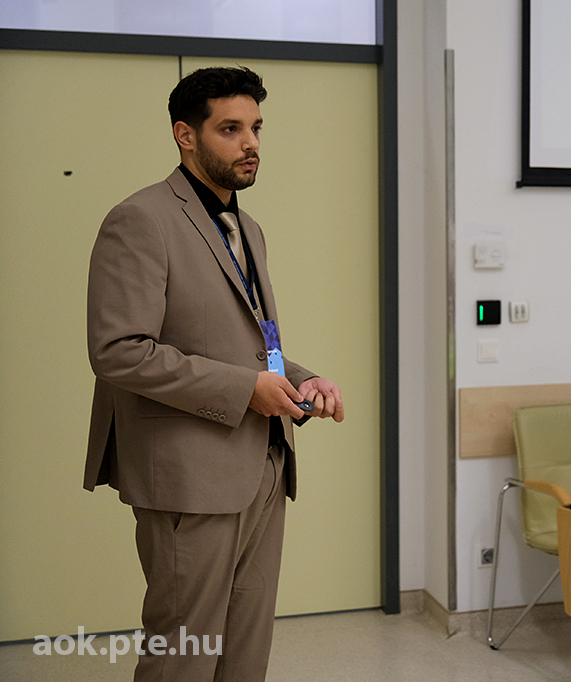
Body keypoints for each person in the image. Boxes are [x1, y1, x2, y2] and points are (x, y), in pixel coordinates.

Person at [84, 66, 344, 682]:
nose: (250, 143)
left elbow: (252, 342)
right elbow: (118, 350)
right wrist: (245, 390)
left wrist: (299, 379)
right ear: (186, 135)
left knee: (245, 655)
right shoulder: (140, 219)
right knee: (184, 656)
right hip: (189, 477)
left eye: (256, 128)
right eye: (231, 129)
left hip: (264, 465)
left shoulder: (247, 228)